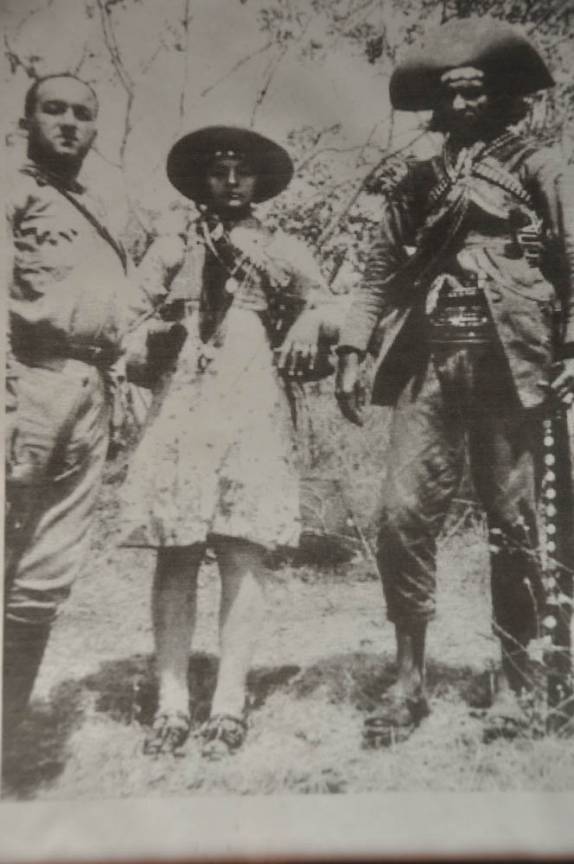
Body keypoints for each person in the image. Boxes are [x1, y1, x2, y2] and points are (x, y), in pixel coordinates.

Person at [335, 19, 574, 745]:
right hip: (429, 363)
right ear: (437, 108)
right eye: (452, 92)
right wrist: (352, 343)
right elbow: (378, 269)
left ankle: (518, 678)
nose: (465, 101)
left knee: (514, 523)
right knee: (401, 516)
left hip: (514, 365)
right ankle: (408, 677)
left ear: (504, 100)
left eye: (478, 90)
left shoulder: (542, 167)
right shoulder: (418, 181)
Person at [120, 126, 335, 758]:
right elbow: (125, 316)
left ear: (261, 181)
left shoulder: (283, 248)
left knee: (243, 550)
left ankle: (229, 702)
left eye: (243, 170)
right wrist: (149, 336)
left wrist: (306, 320)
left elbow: (330, 304)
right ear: (202, 179)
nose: (232, 180)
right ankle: (170, 701)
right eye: (219, 170)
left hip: (250, 397)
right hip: (185, 401)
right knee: (176, 550)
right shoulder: (172, 246)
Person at [5, 74, 137, 744]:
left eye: (82, 113)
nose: (67, 123)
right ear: (27, 117)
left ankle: (5, 737)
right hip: (23, 384)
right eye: (52, 109)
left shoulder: (105, 209)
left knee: (47, 569)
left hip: (88, 396)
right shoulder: (12, 191)